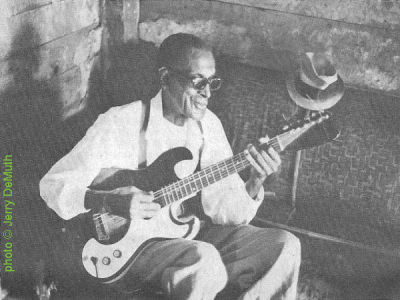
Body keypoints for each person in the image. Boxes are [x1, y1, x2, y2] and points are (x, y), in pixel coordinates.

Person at [40, 33, 301, 300]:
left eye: (212, 82)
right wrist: (108, 201)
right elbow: (53, 186)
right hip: (134, 247)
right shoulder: (120, 122)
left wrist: (254, 182)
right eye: (198, 81)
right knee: (203, 260)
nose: (207, 93)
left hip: (187, 235)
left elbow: (226, 212)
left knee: (283, 245)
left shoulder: (208, 125)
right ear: (165, 78)